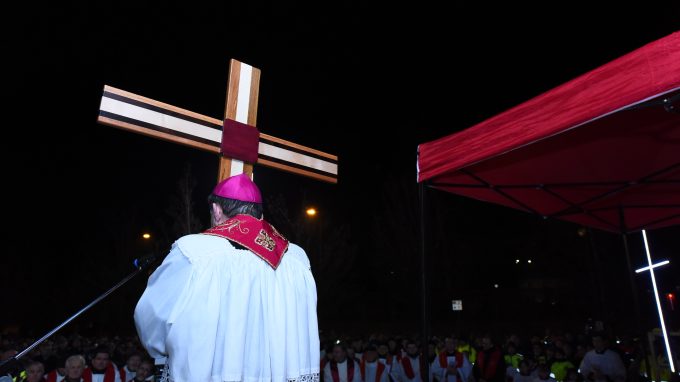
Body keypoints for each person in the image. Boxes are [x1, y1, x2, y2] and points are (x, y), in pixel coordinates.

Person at [134, 173, 320, 382]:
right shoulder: (296, 259)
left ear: (217, 209)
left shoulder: (195, 252)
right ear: (259, 213)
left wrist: (160, 349)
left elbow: (152, 317)